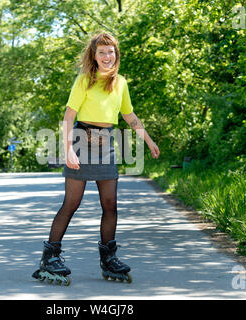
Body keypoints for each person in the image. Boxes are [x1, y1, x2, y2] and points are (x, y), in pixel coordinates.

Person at [32, 33, 160, 286]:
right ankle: (50, 257)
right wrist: (67, 149)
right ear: (94, 55)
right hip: (80, 141)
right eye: (101, 52)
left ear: (116, 55)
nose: (106, 56)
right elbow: (69, 116)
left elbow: (129, 115)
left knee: (110, 204)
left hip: (107, 145)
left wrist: (148, 140)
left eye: (110, 52)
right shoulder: (84, 81)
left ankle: (109, 258)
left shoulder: (120, 83)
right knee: (71, 203)